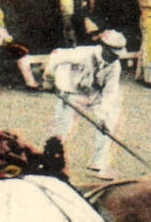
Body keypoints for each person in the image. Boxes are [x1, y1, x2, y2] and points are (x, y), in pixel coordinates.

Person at [20, 29, 134, 182]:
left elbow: (110, 92)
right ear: (104, 48)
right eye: (113, 53)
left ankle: (99, 165)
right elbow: (56, 55)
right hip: (71, 93)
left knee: (108, 124)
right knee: (61, 129)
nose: (115, 57)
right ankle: (49, 163)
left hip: (95, 95)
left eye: (117, 54)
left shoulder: (115, 65)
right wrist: (48, 77)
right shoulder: (82, 53)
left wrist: (104, 117)